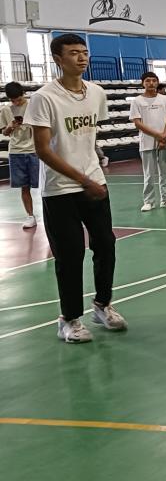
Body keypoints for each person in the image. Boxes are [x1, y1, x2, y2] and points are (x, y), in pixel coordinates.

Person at [23, 33, 126, 343]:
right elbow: (43, 150)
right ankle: (68, 319)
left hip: (94, 182)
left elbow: (88, 137)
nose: (82, 58)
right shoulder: (44, 98)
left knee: (105, 245)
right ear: (58, 59)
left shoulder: (96, 93)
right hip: (60, 189)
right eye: (73, 53)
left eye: (84, 52)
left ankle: (102, 305)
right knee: (69, 255)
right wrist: (83, 180)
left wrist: (94, 170)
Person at [129, 72, 166, 212]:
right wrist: (158, 136)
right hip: (147, 142)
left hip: (165, 141)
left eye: (154, 80)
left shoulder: (165, 99)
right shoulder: (137, 101)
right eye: (148, 80)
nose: (151, 83)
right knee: (149, 173)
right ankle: (149, 201)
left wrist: (164, 136)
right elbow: (137, 123)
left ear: (157, 82)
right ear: (142, 83)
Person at [1, 81, 39, 228]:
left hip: (34, 150)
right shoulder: (6, 110)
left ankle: (51, 214)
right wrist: (10, 126)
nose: (16, 103)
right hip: (16, 151)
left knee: (44, 185)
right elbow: (4, 132)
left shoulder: (33, 106)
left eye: (18, 99)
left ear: (23, 94)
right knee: (24, 187)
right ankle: (30, 216)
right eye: (13, 100)